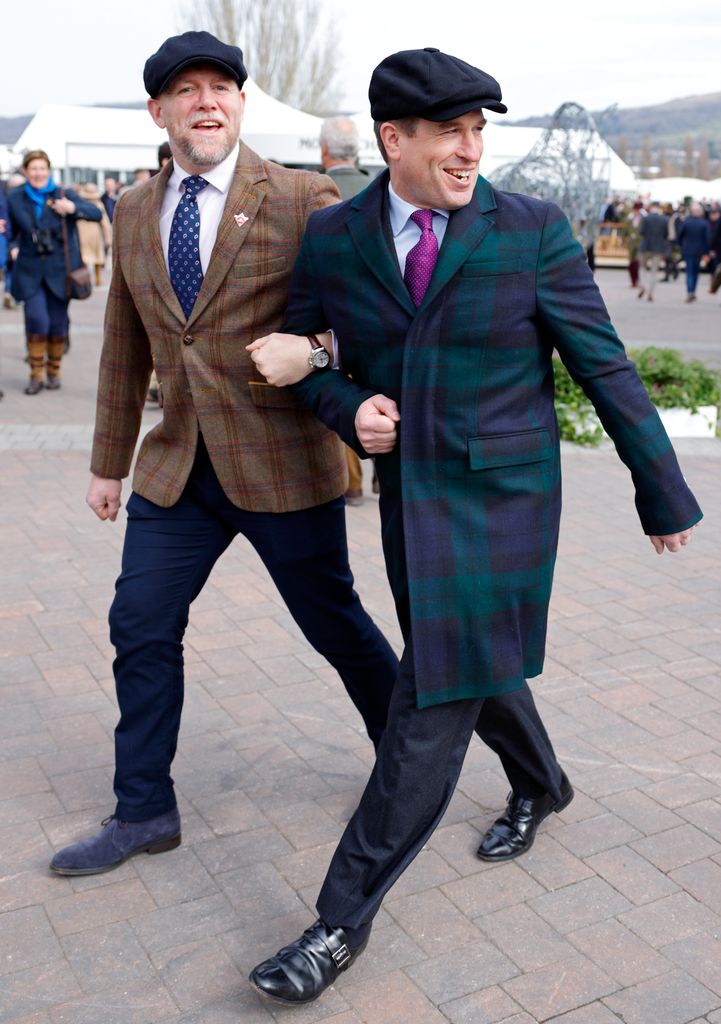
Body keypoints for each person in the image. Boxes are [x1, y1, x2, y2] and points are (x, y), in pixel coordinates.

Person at [246, 47, 702, 1006]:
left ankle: (336, 924)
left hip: (505, 503)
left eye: (477, 131)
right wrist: (348, 408)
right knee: (464, 662)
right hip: (411, 500)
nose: (469, 150)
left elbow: (602, 364)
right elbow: (312, 355)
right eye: (449, 132)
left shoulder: (529, 229)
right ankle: (541, 782)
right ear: (393, 139)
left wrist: (658, 490)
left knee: (430, 700)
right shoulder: (334, 236)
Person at [47, 31, 399, 877]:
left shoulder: (303, 196)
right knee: (139, 623)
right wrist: (108, 463)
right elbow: (126, 345)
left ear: (240, 103)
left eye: (220, 87)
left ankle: (407, 765)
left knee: (334, 624)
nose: (205, 101)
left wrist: (313, 351)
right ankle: (143, 810)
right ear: (158, 111)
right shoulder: (134, 210)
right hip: (177, 470)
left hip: (281, 462)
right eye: (186, 90)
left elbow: (364, 317)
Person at [7, 150, 102, 394]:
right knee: (37, 320)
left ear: (48, 170)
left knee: (58, 324)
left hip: (60, 271)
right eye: (33, 168)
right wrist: (13, 246)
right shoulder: (15, 197)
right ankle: (36, 375)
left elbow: (96, 214)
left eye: (42, 168)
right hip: (29, 270)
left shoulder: (63, 194)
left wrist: (72, 208)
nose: (38, 173)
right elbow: (11, 232)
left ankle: (54, 372)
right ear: (25, 171)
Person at [320, 115, 371, 506]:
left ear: (323, 151)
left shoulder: (315, 192)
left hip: (335, 315)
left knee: (348, 397)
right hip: (387, 312)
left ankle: (352, 484)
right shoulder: (383, 188)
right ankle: (385, 478)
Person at [76, 182, 113, 286]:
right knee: (97, 257)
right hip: (95, 235)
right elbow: (105, 222)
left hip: (81, 234)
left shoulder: (79, 204)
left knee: (84, 258)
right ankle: (97, 278)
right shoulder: (98, 205)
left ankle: (85, 279)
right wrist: (108, 238)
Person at [677, 202, 711, 302]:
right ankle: (692, 291)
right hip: (699, 251)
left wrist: (681, 246)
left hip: (688, 250)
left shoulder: (686, 222)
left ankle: (690, 292)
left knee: (690, 271)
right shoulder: (704, 223)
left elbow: (680, 236)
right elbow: (707, 239)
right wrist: (706, 252)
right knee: (695, 272)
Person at [638, 200, 668, 302]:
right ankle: (650, 293)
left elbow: (641, 232)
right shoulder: (664, 219)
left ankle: (643, 285)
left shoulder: (645, 218)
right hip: (658, 248)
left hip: (645, 246)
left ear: (651, 207)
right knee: (654, 271)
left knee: (642, 268)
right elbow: (666, 234)